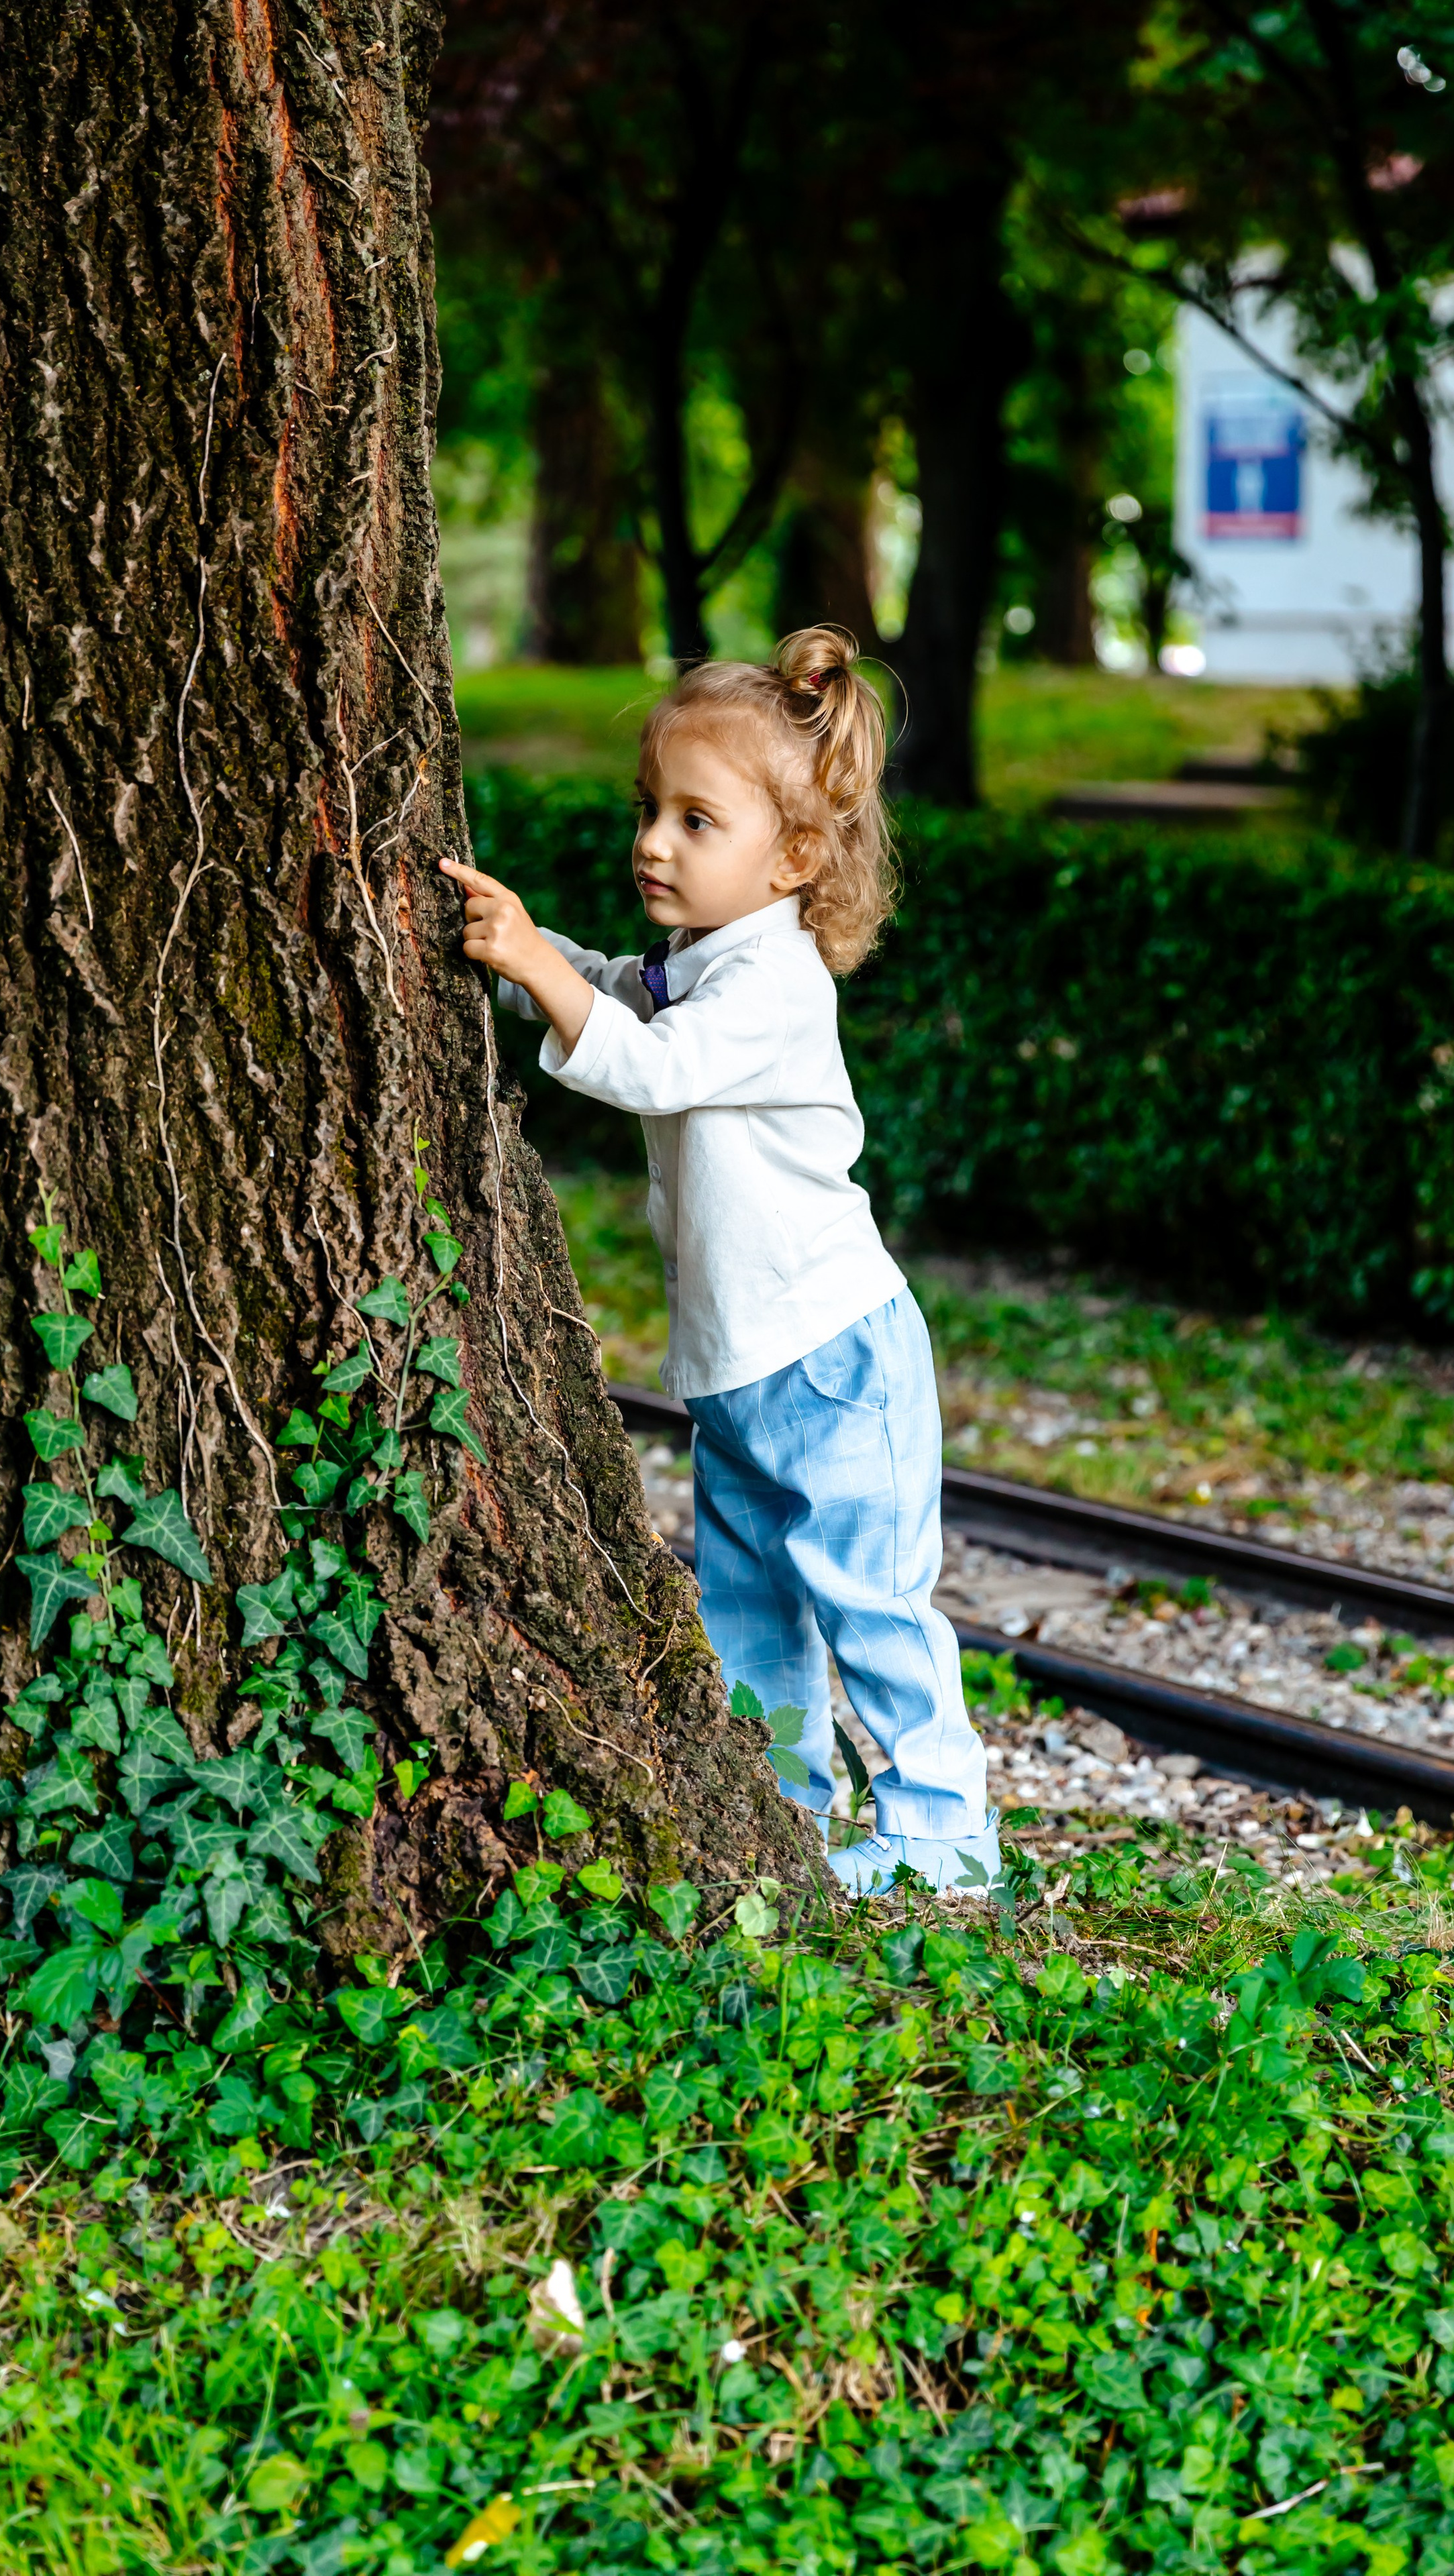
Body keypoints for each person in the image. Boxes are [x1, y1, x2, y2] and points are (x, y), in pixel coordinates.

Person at [439, 626, 998, 1899]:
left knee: (872, 1604)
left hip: (833, 1351)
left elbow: (653, 1064)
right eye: (651, 810)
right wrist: (528, 953)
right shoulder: (703, 960)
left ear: (795, 857)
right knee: (751, 1608)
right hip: (742, 1368)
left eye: (699, 821)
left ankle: (945, 1833)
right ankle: (786, 1798)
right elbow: (622, 999)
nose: (653, 842)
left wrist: (534, 964)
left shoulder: (778, 982)